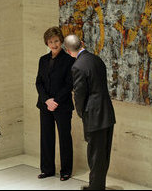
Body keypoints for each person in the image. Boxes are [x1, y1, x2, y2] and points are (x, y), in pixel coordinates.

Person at [64, 34, 116, 190]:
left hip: (94, 115)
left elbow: (79, 94)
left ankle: (95, 188)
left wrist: (81, 112)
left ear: (67, 50)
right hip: (107, 112)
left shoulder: (77, 66)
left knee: (95, 155)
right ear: (82, 43)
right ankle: (97, 185)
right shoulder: (96, 59)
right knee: (103, 154)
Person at [35, 26, 75, 181]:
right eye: (50, 42)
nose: (54, 44)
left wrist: (55, 101)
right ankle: (47, 169)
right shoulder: (43, 60)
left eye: (56, 41)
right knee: (46, 137)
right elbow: (39, 83)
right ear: (47, 43)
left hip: (62, 105)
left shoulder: (69, 60)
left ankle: (66, 170)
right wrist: (46, 100)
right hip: (45, 104)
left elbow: (69, 84)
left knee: (65, 138)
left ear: (61, 41)